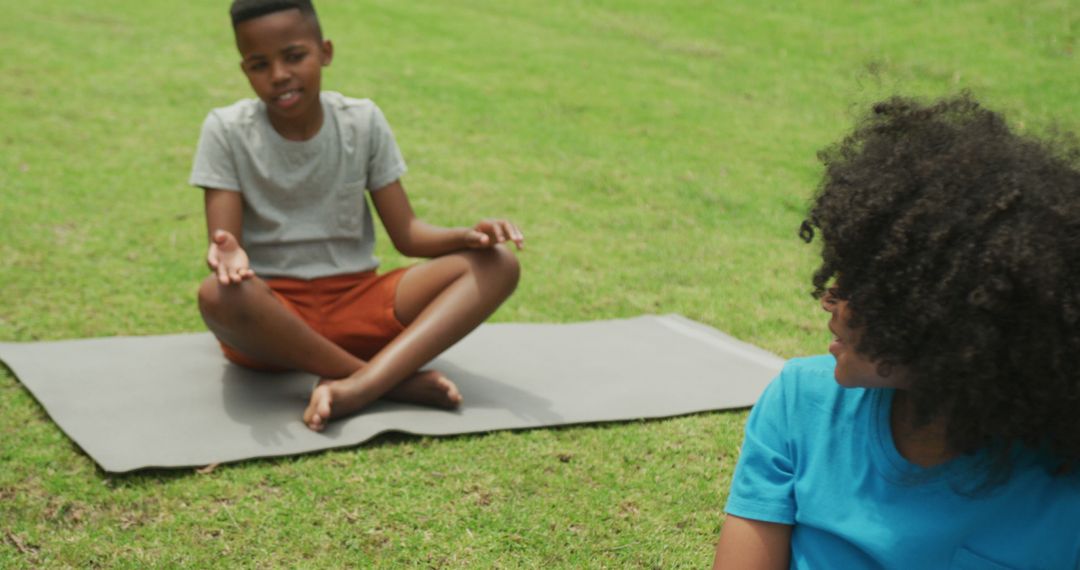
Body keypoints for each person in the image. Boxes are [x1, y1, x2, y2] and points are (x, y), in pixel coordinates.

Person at [713, 94, 1080, 568]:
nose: (828, 300)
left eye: (857, 288)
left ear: (944, 325)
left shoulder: (1061, 478)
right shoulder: (801, 402)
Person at [189, 0, 523, 432]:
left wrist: (469, 236)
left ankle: (360, 385)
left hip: (359, 303)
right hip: (274, 321)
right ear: (244, 70)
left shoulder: (362, 121)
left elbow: (408, 234)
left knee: (499, 264)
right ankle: (390, 382)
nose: (279, 76)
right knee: (217, 295)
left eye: (294, 56)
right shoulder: (225, 130)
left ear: (325, 52)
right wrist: (227, 251)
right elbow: (223, 243)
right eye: (259, 64)